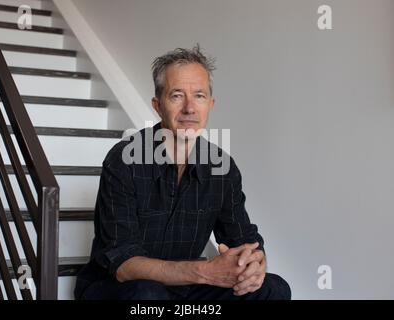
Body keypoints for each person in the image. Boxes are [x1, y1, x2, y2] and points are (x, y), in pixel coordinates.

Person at [74, 45, 291, 300]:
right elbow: (123, 266)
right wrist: (205, 271)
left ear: (210, 104)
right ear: (157, 105)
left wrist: (254, 264)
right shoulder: (124, 160)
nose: (189, 108)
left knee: (274, 289)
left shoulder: (222, 168)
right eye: (177, 95)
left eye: (199, 96)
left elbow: (244, 239)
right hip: (117, 288)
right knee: (147, 294)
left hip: (184, 290)